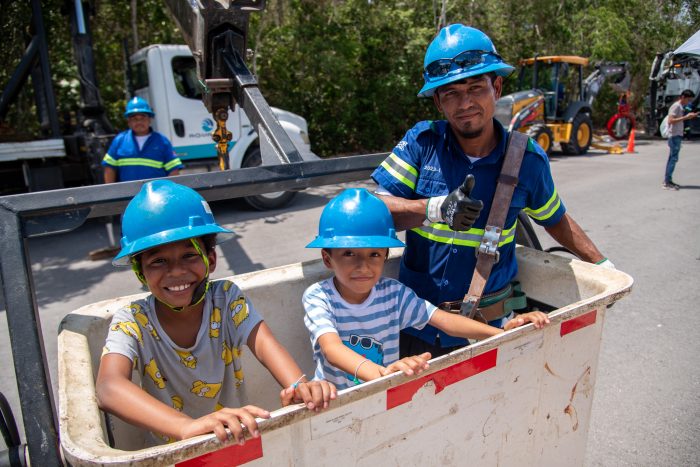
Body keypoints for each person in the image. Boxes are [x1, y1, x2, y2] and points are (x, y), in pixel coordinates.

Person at [370, 24, 612, 359]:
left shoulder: (527, 160)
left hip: (490, 331)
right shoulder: (421, 143)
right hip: (417, 329)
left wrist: (602, 265)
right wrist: (434, 208)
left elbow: (554, 219)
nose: (465, 102)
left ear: (496, 87)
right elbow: (376, 212)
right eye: (451, 92)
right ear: (438, 102)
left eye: (475, 87)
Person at [96, 180, 336, 445]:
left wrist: (298, 386)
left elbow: (265, 343)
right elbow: (109, 387)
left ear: (211, 259)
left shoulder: (226, 299)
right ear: (140, 271)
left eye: (189, 255)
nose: (176, 271)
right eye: (158, 261)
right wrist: (188, 428)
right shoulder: (132, 321)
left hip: (235, 441)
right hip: (171, 454)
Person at [302, 188, 549, 390]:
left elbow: (443, 320)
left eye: (374, 254)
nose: (362, 265)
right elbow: (331, 349)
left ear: (385, 256)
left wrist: (501, 333)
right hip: (332, 403)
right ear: (327, 258)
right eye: (348, 253)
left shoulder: (393, 294)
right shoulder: (319, 297)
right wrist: (384, 374)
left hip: (379, 394)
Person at [102, 97, 184, 183]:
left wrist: (169, 192)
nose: (139, 122)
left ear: (149, 120)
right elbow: (109, 168)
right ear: (128, 121)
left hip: (155, 195)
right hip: (128, 194)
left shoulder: (162, 142)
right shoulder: (119, 140)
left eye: (143, 118)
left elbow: (174, 170)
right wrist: (112, 192)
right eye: (134, 119)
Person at [663, 89, 698, 190]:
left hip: (677, 135)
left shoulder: (680, 107)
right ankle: (667, 182)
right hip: (674, 136)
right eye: (688, 100)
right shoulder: (676, 106)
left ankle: (668, 180)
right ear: (683, 97)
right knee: (673, 159)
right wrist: (686, 117)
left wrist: (690, 116)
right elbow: (670, 121)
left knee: (672, 158)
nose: (689, 102)